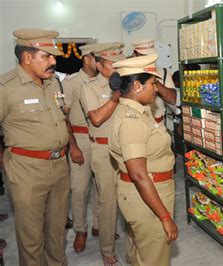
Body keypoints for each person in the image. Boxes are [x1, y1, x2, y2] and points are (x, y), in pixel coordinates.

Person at [0, 28, 75, 265]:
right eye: (47, 56)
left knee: (57, 232)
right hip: (26, 170)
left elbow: (62, 119)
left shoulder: (54, 83)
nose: (54, 61)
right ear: (27, 57)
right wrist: (6, 165)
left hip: (60, 167)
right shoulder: (6, 87)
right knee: (31, 237)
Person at [108, 54, 178, 266]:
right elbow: (138, 174)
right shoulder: (132, 120)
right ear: (137, 86)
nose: (156, 89)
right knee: (155, 259)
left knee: (144, 255)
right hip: (148, 196)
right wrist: (164, 217)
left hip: (151, 192)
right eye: (152, 83)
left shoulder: (140, 112)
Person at [80, 42, 125, 265]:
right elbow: (96, 118)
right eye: (112, 63)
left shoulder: (127, 82)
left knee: (132, 197)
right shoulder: (90, 87)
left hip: (127, 149)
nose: (118, 67)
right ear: (98, 65)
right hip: (104, 150)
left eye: (120, 62)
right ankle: (107, 250)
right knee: (108, 203)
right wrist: (116, 95)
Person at [62, 43, 101, 252]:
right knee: (79, 189)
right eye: (98, 58)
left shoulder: (105, 80)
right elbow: (63, 116)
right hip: (81, 140)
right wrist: (73, 146)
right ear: (87, 59)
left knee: (102, 187)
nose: (102, 62)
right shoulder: (72, 82)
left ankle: (98, 225)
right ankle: (80, 230)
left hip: (102, 140)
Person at [130, 39, 177, 127]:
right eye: (144, 56)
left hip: (157, 124)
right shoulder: (128, 74)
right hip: (135, 125)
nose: (148, 60)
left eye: (150, 56)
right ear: (135, 55)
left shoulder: (163, 72)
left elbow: (172, 99)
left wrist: (152, 77)